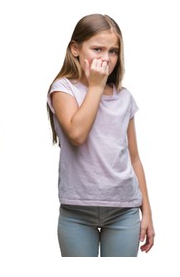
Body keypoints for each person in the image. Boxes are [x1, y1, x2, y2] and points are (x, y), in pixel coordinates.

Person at [46, 14, 155, 257]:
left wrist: (146, 211)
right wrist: (96, 86)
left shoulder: (124, 97)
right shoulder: (63, 89)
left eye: (113, 51)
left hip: (124, 209)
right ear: (75, 49)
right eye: (97, 49)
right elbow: (77, 134)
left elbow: (134, 158)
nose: (106, 58)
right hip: (77, 212)